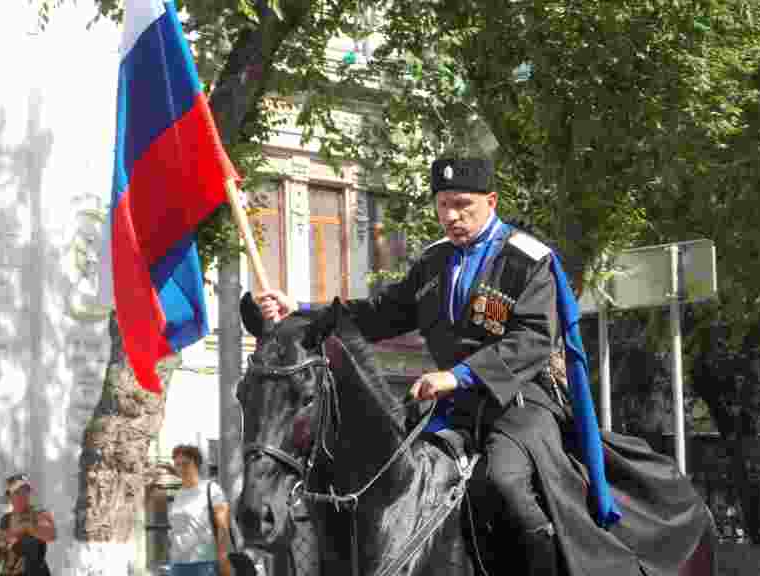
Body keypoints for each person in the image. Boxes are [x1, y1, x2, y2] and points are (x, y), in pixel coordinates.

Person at [252, 156, 713, 575]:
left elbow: (532, 340)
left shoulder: (527, 261)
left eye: (463, 205)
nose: (452, 216)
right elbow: (377, 313)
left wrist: (458, 376)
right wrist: (302, 311)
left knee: (505, 482)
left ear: (490, 201)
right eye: (443, 205)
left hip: (518, 404)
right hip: (451, 411)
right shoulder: (433, 262)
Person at [167, 445, 232, 576]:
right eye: (177, 464)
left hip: (204, 564)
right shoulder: (179, 494)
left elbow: (223, 527)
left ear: (196, 465)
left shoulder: (212, 489)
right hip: (178, 564)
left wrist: (223, 558)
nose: (181, 468)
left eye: (186, 464)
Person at [0, 473, 56, 576]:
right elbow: (1, 555)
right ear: (9, 496)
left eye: (26, 491)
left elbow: (51, 535)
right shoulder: (5, 520)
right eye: (18, 492)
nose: (23, 496)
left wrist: (26, 527)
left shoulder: (40, 514)